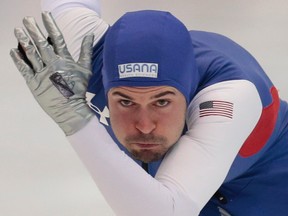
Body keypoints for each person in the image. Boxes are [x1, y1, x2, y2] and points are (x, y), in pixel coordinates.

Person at [10, 0, 288, 215]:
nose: (144, 124)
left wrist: (73, 119)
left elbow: (165, 212)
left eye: (162, 102)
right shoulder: (86, 52)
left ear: (189, 88)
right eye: (125, 101)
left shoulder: (229, 97)